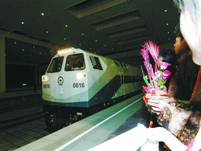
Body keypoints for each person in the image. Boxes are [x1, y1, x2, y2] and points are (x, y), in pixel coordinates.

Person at [147, 0, 201, 150]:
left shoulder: (188, 67)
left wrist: (167, 107)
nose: (176, 43)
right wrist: (166, 107)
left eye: (182, 12)